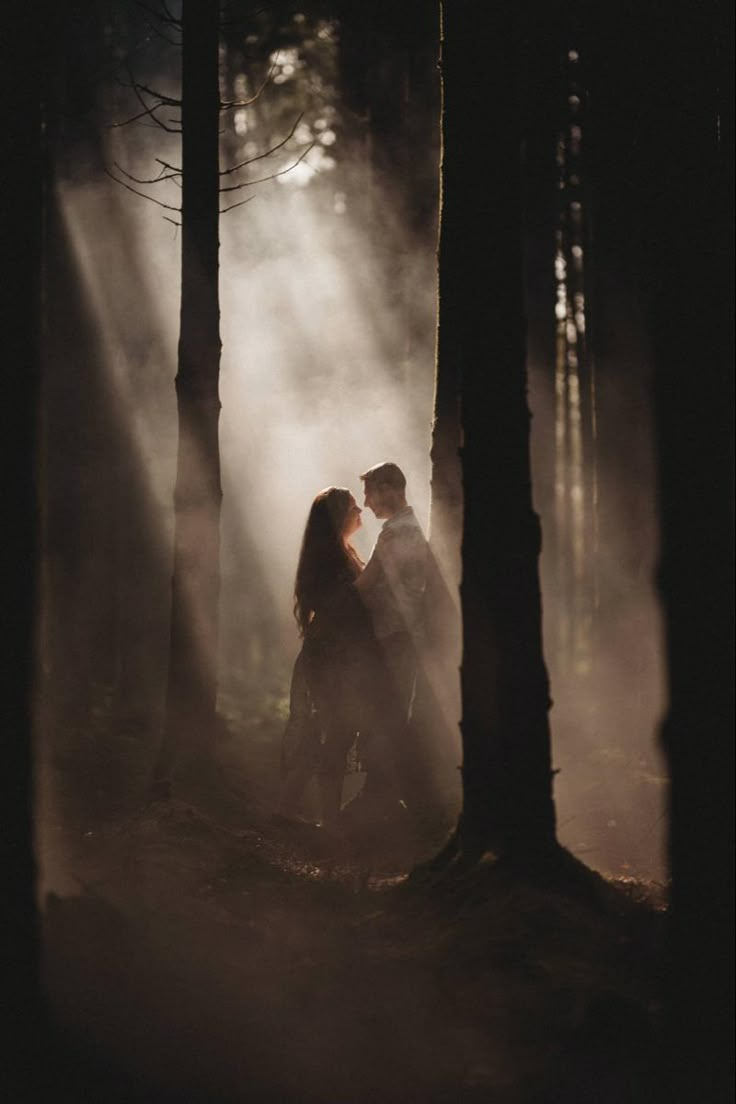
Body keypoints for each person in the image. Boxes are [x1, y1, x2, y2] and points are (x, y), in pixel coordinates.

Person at [277, 486, 379, 828]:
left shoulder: (340, 552)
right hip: (333, 658)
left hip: (338, 655)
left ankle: (289, 810)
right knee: (334, 731)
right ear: (339, 516)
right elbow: (341, 606)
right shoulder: (330, 559)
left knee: (327, 731)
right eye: (353, 507)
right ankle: (328, 821)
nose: (360, 512)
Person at [353, 461, 431, 812]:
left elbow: (367, 584)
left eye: (370, 492)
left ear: (388, 488)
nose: (367, 502)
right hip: (400, 635)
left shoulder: (396, 533)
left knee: (388, 712)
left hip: (393, 635)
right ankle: (387, 794)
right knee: (392, 710)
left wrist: (325, 599)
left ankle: (388, 797)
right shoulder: (409, 527)